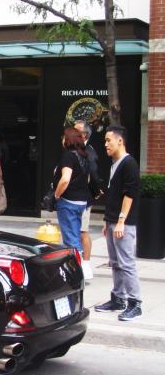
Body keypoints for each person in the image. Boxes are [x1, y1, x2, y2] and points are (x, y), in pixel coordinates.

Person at [94, 125, 142, 321]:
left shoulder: (129, 164)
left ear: (120, 141)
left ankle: (135, 303)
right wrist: (108, 221)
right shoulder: (115, 163)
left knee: (126, 263)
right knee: (115, 263)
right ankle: (118, 298)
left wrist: (121, 220)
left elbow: (129, 195)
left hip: (124, 223)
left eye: (108, 140)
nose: (105, 144)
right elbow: (114, 196)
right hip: (113, 221)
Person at [53, 127, 91, 254]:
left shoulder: (68, 156)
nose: (62, 140)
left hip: (68, 202)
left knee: (71, 241)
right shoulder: (83, 156)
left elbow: (65, 179)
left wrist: (57, 195)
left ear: (68, 139)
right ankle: (80, 265)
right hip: (81, 201)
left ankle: (76, 268)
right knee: (75, 234)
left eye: (63, 137)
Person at [74, 120, 103, 280]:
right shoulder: (77, 149)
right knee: (76, 231)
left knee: (82, 231)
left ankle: (86, 264)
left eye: (77, 130)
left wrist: (96, 190)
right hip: (76, 197)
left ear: (84, 134)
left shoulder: (87, 150)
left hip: (83, 198)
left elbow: (93, 172)